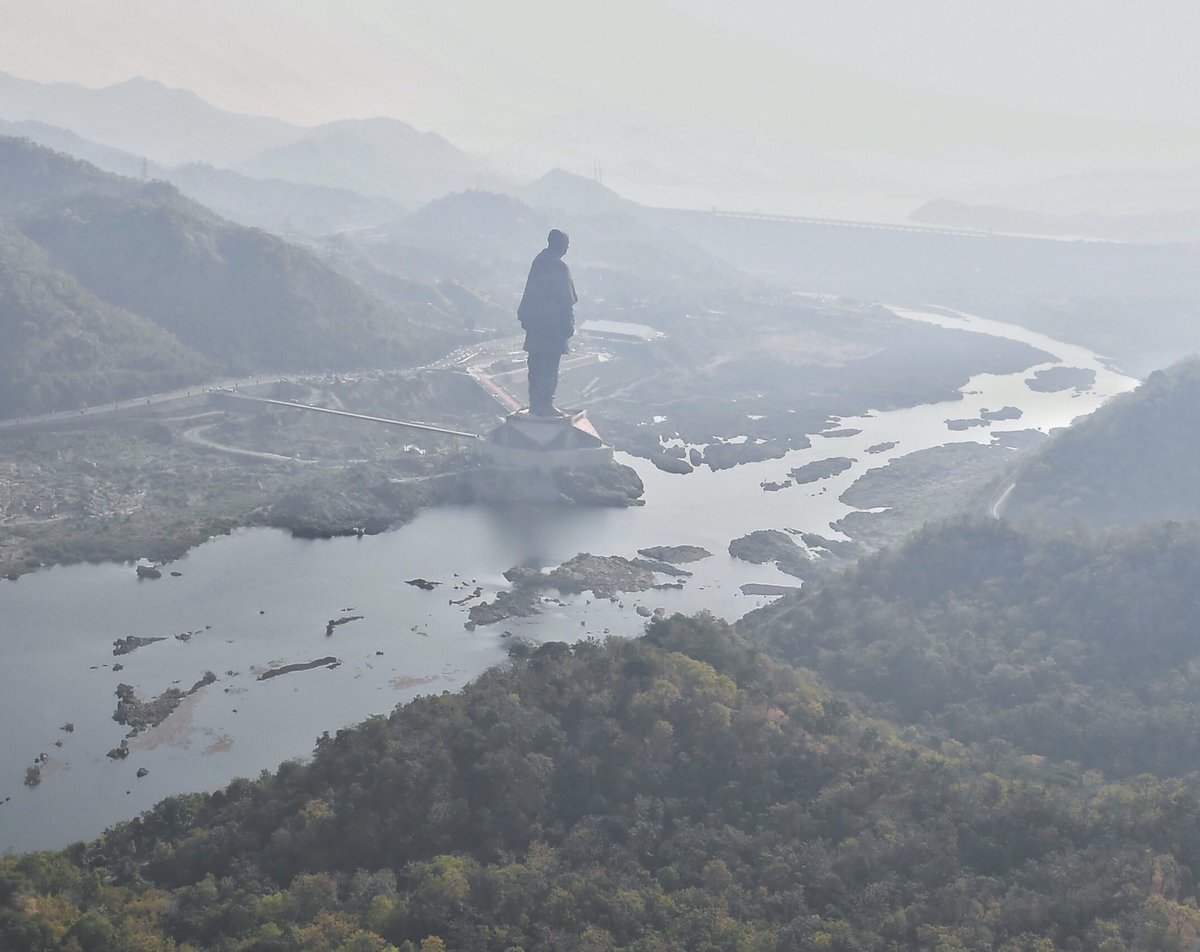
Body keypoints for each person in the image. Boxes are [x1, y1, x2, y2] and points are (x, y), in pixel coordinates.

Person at [517, 228, 577, 416]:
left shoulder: (538, 262)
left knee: (535, 367)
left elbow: (528, 294)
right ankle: (544, 405)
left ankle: (536, 404)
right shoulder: (559, 268)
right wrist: (568, 326)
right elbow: (566, 301)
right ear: (559, 245)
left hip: (536, 327)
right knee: (549, 368)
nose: (567, 249)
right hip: (552, 330)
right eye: (566, 245)